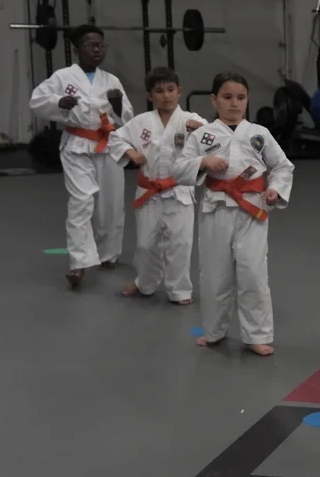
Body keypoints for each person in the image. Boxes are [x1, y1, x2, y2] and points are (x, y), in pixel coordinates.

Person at [173, 73, 294, 357]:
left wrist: (275, 189)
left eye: (240, 98)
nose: (234, 103)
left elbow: (282, 166)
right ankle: (214, 331)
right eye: (227, 97)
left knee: (253, 273)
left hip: (252, 210)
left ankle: (257, 335)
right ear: (214, 100)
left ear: (247, 100)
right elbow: (179, 169)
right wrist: (203, 161)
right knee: (215, 273)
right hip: (216, 209)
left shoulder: (259, 133)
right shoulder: (202, 134)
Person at [29, 25, 134, 288]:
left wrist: (118, 104)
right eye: (91, 45)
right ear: (77, 50)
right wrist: (58, 103)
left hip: (108, 144)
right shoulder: (63, 77)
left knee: (111, 203)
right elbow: (37, 101)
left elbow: (128, 118)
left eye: (101, 45)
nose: (97, 49)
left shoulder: (111, 80)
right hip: (77, 145)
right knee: (81, 201)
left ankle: (109, 254)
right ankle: (79, 263)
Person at [106, 67, 205, 304]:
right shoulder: (141, 122)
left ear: (179, 92)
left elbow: (211, 140)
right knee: (145, 245)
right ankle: (145, 282)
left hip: (179, 192)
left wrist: (199, 130)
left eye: (171, 90)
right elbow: (114, 138)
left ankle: (180, 289)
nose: (166, 95)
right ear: (150, 96)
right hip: (148, 192)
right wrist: (130, 152)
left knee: (180, 244)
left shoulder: (192, 120)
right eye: (159, 91)